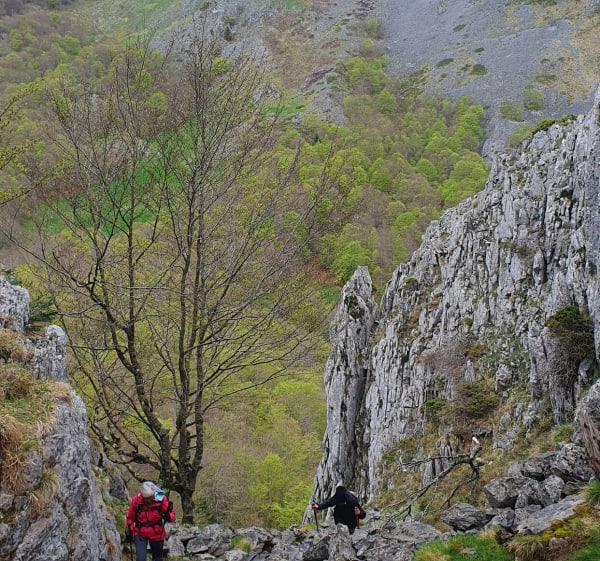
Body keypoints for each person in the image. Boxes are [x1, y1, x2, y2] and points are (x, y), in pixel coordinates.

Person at [125, 481, 175, 561]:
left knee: (157, 558)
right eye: (146, 498)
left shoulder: (161, 498)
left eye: (150, 497)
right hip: (140, 532)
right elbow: (130, 518)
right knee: (140, 558)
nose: (148, 500)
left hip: (157, 532)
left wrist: (168, 516)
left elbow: (172, 515)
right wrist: (129, 528)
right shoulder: (136, 501)